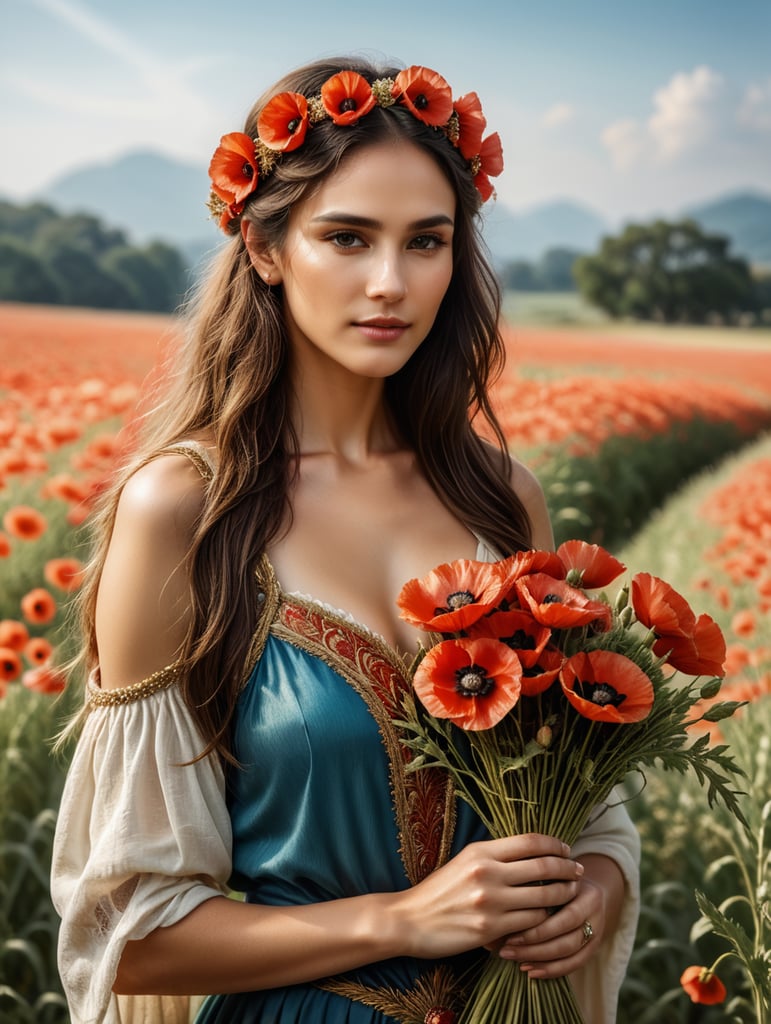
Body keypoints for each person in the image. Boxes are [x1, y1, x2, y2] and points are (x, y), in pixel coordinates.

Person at [51, 56, 640, 1024]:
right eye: (347, 236)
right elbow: (128, 930)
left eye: (426, 242)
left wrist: (586, 894)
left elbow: (584, 815)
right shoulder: (185, 512)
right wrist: (402, 920)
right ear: (265, 246)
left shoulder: (504, 503)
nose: (389, 282)